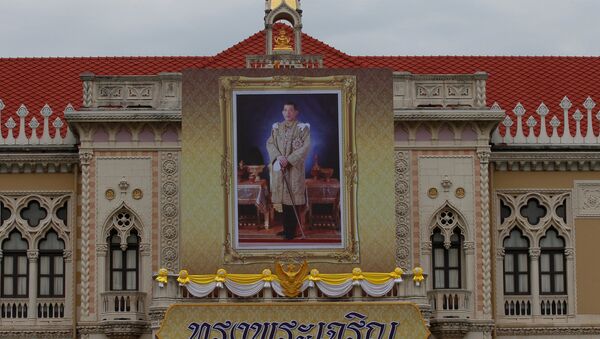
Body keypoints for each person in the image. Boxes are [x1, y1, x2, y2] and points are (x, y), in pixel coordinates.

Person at [266, 102, 311, 240]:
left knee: (292, 201)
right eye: (285, 110)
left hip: (294, 170)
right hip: (280, 168)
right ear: (282, 112)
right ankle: (286, 229)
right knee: (284, 201)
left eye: (290, 110)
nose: (287, 113)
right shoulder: (277, 128)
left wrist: (289, 159)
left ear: (296, 112)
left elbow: (305, 146)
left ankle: (291, 231)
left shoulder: (302, 128)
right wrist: (278, 157)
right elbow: (270, 143)